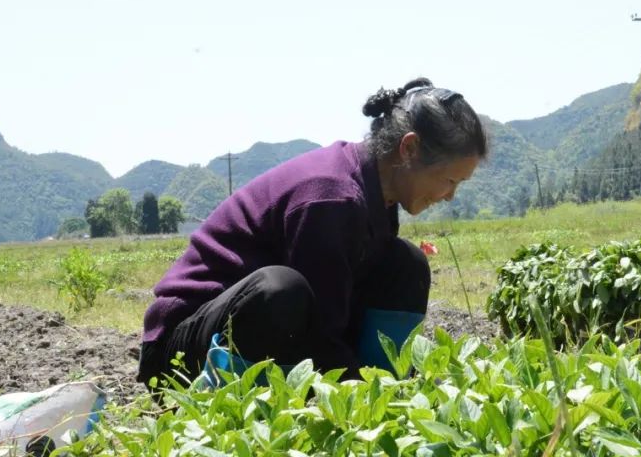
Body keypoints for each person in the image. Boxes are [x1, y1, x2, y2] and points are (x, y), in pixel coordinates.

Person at [136, 78, 487, 388]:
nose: (450, 195)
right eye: (450, 180)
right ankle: (250, 407)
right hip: (181, 350)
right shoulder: (332, 196)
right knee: (280, 291)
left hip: (270, 329)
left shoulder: (378, 195)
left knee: (404, 264)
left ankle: (388, 381)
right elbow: (321, 332)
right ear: (408, 149)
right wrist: (360, 400)